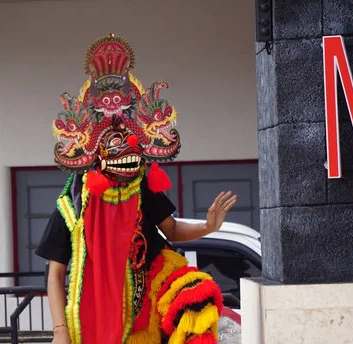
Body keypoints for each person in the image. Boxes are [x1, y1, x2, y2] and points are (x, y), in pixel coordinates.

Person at [36, 33, 237, 344]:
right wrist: (59, 332)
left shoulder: (139, 184)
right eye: (114, 143)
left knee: (196, 299)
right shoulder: (72, 205)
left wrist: (208, 227)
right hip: (96, 307)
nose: (126, 150)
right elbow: (55, 274)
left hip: (150, 291)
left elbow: (171, 229)